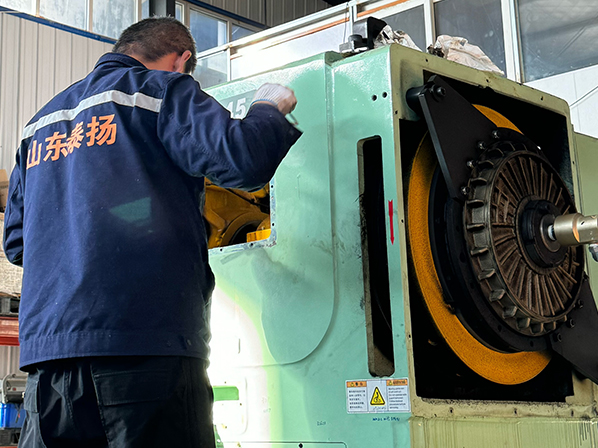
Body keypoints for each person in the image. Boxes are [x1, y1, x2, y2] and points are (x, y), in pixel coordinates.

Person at [3, 17, 301, 448]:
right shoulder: (161, 91)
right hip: (145, 350)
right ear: (182, 61)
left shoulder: (39, 125)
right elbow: (242, 158)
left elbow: (18, 243)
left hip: (49, 366)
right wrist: (267, 109)